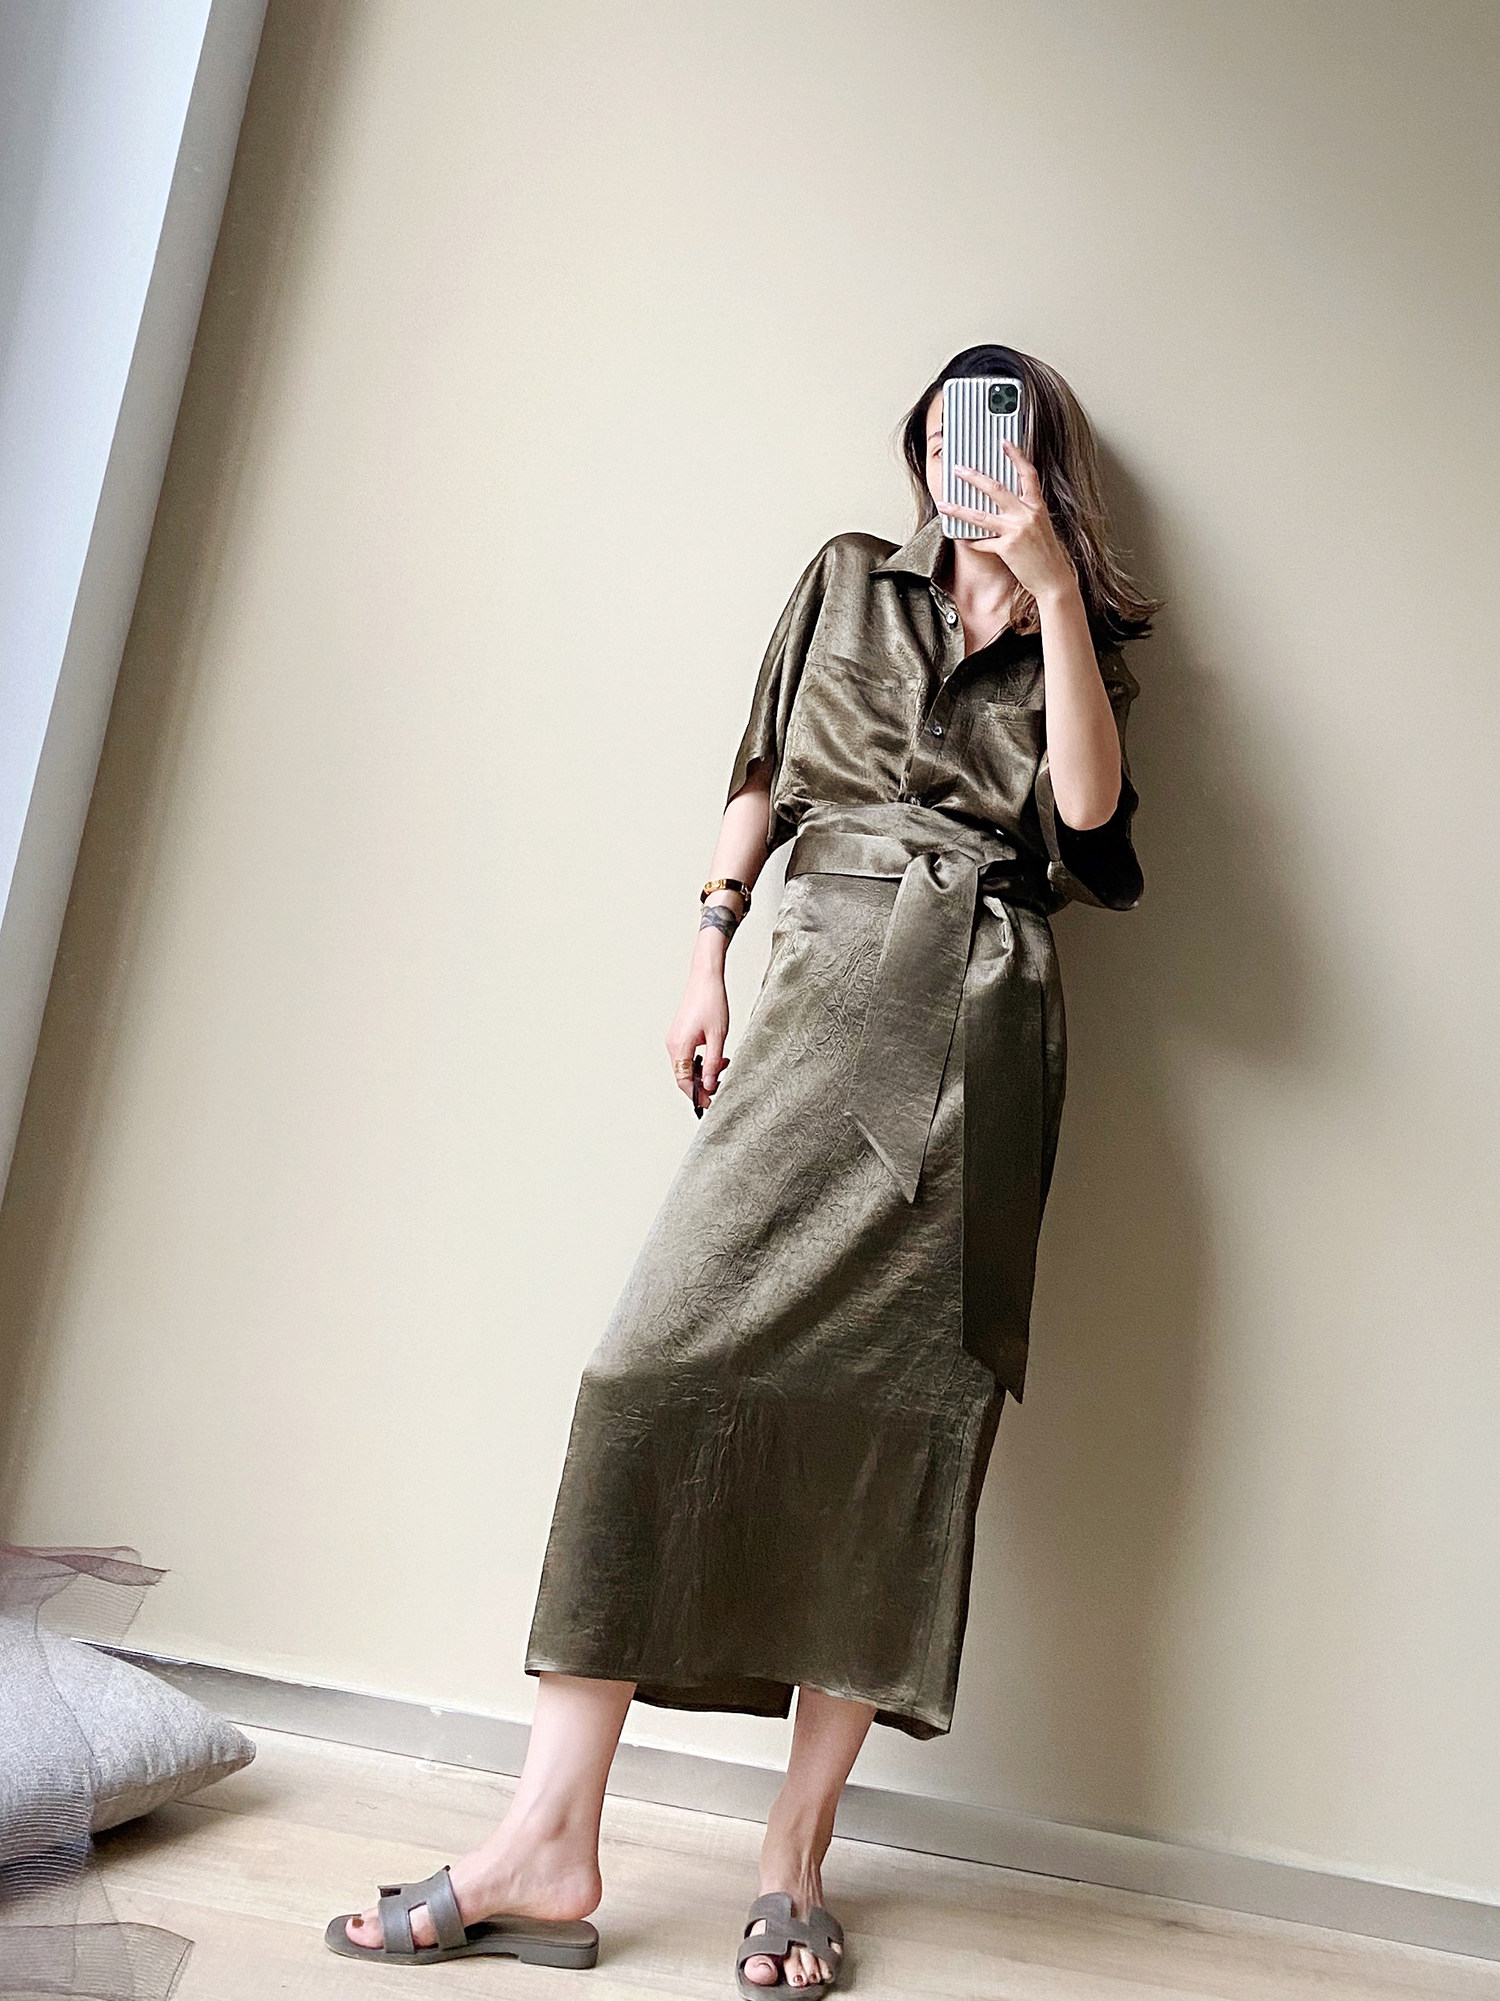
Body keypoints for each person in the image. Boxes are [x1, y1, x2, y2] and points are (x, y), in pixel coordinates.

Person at [325, 343, 1160, 1994]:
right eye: (943, 436)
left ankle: (796, 1856)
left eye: (994, 440)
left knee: (894, 1432)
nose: (961, 466)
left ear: (1039, 458)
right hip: (813, 998)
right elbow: (761, 770)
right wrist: (707, 948)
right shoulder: (847, 581)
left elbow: (1088, 823)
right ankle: (546, 1838)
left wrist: (1057, 593)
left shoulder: (1086, 644)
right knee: (644, 1369)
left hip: (976, 1045)